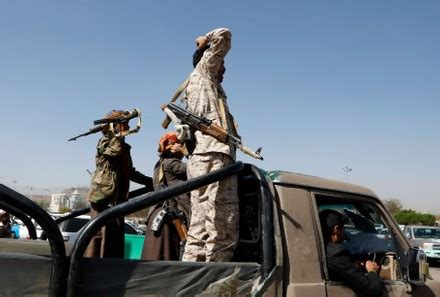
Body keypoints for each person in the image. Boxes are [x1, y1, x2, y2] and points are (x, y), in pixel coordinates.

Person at [182, 27, 240, 262]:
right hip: (214, 156)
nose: (223, 69)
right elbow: (224, 35)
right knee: (221, 226)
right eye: (220, 63)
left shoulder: (197, 83)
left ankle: (191, 278)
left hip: (202, 158)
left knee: (200, 229)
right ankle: (216, 280)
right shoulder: (204, 72)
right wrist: (204, 39)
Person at [85, 110, 154, 258]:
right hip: (103, 197)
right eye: (124, 124)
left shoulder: (123, 146)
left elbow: (129, 172)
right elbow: (114, 151)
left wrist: (150, 182)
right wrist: (113, 133)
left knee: (114, 240)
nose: (127, 127)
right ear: (114, 126)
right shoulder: (105, 142)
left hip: (118, 200)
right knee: (100, 237)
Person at [141, 132, 189, 260]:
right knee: (167, 252)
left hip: (159, 213)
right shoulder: (173, 163)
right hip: (170, 217)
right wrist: (188, 152)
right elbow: (198, 167)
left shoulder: (160, 163)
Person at [319, 209, 383, 297]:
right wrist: (372, 271)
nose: (345, 231)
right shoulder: (337, 254)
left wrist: (353, 266)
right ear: (336, 229)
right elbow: (372, 289)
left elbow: (341, 270)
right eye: (343, 228)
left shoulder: (323, 247)